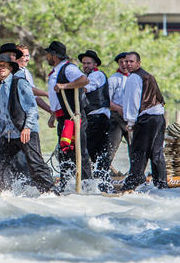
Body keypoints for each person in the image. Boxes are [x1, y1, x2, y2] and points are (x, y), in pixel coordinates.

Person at [0, 54, 54, 193]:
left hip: (25, 132)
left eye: (4, 66)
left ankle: (51, 193)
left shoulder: (20, 83)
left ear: (10, 68)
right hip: (8, 136)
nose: (1, 68)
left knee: (36, 165)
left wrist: (27, 127)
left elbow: (31, 108)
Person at [45, 40, 93, 187]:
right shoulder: (56, 70)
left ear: (54, 55)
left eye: (48, 54)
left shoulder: (68, 68)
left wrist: (65, 86)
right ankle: (66, 185)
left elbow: (84, 80)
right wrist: (53, 115)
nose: (46, 56)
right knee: (65, 152)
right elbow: (56, 98)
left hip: (74, 116)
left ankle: (86, 185)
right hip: (63, 118)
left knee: (80, 151)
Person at [122, 51, 167, 190]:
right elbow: (160, 98)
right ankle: (161, 184)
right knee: (156, 152)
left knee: (139, 151)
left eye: (131, 62)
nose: (128, 64)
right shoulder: (148, 76)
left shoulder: (134, 78)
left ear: (138, 63)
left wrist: (130, 122)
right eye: (126, 61)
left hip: (147, 118)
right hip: (159, 117)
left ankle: (132, 185)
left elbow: (132, 101)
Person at [78, 50, 111, 182]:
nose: (85, 65)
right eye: (84, 63)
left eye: (88, 63)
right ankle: (100, 181)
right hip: (94, 118)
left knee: (88, 150)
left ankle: (92, 181)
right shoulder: (88, 76)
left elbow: (86, 88)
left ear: (95, 64)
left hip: (98, 118)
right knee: (97, 153)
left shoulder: (96, 75)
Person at [15, 43, 53, 116]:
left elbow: (34, 96)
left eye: (27, 55)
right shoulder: (13, 72)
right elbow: (28, 89)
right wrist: (45, 94)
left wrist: (50, 110)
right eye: (24, 56)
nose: (27, 59)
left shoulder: (26, 71)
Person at [107, 52, 130, 170]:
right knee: (111, 148)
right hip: (116, 117)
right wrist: (118, 108)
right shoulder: (113, 79)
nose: (124, 65)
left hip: (132, 118)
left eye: (126, 62)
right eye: (121, 62)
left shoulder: (135, 78)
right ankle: (103, 175)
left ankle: (135, 175)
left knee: (135, 148)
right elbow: (107, 101)